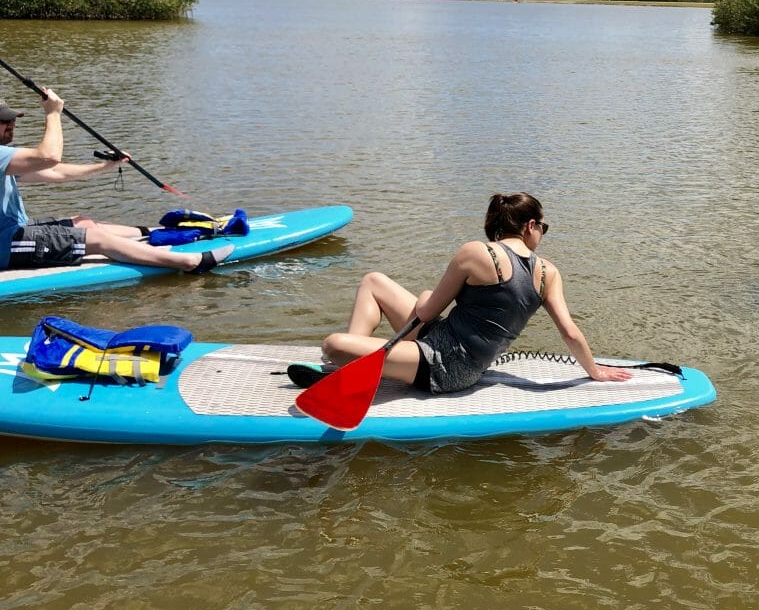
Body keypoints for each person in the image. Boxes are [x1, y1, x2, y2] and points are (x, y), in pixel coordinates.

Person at [290, 192, 633, 392]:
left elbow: (425, 313)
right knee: (374, 281)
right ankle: (352, 377)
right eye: (543, 227)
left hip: (446, 366)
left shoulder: (475, 252)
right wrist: (594, 371)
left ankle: (347, 369)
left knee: (333, 345)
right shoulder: (549, 273)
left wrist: (427, 305)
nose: (542, 233)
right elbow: (570, 332)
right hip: (455, 353)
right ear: (530, 226)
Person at [0, 91, 232, 273]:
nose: (11, 123)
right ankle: (190, 262)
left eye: (11, 118)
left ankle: (160, 233)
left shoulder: (6, 157)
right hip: (4, 246)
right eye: (3, 120)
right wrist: (53, 113)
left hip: (11, 231)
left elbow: (55, 172)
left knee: (84, 223)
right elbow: (49, 156)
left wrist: (108, 166)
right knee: (97, 239)